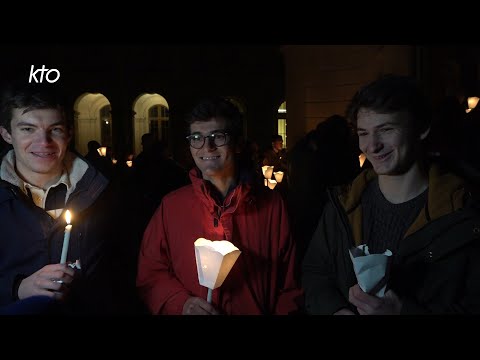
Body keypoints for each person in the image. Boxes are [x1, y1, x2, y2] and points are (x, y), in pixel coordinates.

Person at [302, 74, 480, 315]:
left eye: (386, 129)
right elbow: (315, 272)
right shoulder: (345, 205)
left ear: (421, 128)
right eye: (364, 133)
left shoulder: (464, 213)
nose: (372, 146)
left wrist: (403, 312)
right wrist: (336, 310)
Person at [137, 96, 303, 315]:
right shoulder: (172, 207)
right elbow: (150, 273)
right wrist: (182, 303)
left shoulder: (272, 206)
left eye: (218, 136)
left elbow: (290, 284)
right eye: (197, 137)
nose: (207, 146)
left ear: (237, 145)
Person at [0, 83, 139, 314]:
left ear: (69, 133)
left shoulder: (106, 191)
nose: (44, 142)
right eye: (28, 129)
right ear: (6, 133)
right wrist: (16, 288)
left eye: (55, 129)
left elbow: (129, 270)